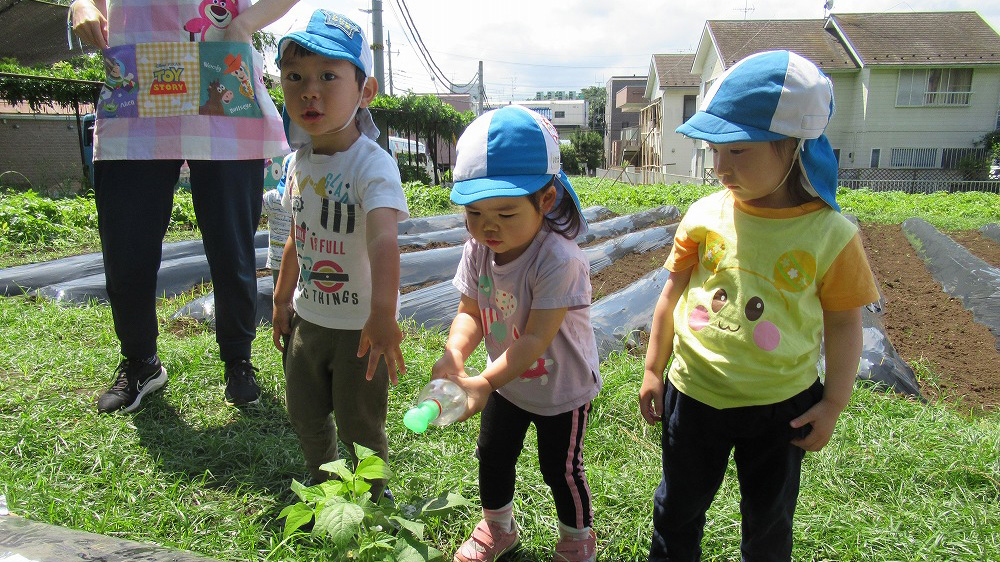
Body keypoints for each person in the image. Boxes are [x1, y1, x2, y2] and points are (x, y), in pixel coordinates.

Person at [638, 50, 880, 562]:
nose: (720, 166)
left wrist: (833, 403)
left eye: (739, 151)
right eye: (714, 149)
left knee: (768, 523)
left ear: (793, 146)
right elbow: (671, 294)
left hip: (781, 407)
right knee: (677, 510)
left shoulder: (831, 236)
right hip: (696, 393)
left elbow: (843, 325)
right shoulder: (704, 215)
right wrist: (654, 368)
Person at [69, 0, 299, 413]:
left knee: (232, 248)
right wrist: (82, 3)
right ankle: (141, 361)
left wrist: (245, 23)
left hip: (220, 71)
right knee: (127, 246)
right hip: (133, 82)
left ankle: (237, 359)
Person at [431, 105, 601, 562]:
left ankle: (577, 537)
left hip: (559, 387)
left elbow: (533, 340)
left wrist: (483, 383)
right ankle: (498, 527)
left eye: (506, 213)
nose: (489, 227)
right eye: (475, 213)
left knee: (559, 469)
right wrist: (455, 353)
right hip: (506, 381)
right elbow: (469, 310)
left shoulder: (559, 259)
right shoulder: (478, 248)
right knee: (493, 453)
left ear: (545, 200)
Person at [270, 10, 408, 497]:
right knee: (304, 412)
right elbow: (296, 234)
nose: (310, 91)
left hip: (360, 330)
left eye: (329, 76)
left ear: (365, 91)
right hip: (309, 320)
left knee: (359, 423)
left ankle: (373, 494)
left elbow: (383, 240)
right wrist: (282, 297)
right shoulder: (296, 163)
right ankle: (324, 481)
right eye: (296, 77)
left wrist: (383, 314)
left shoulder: (371, 165)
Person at [262, 153, 293, 285]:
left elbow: (254, 208)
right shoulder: (302, 199)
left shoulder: (272, 197)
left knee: (279, 291)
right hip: (297, 257)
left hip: (277, 256)